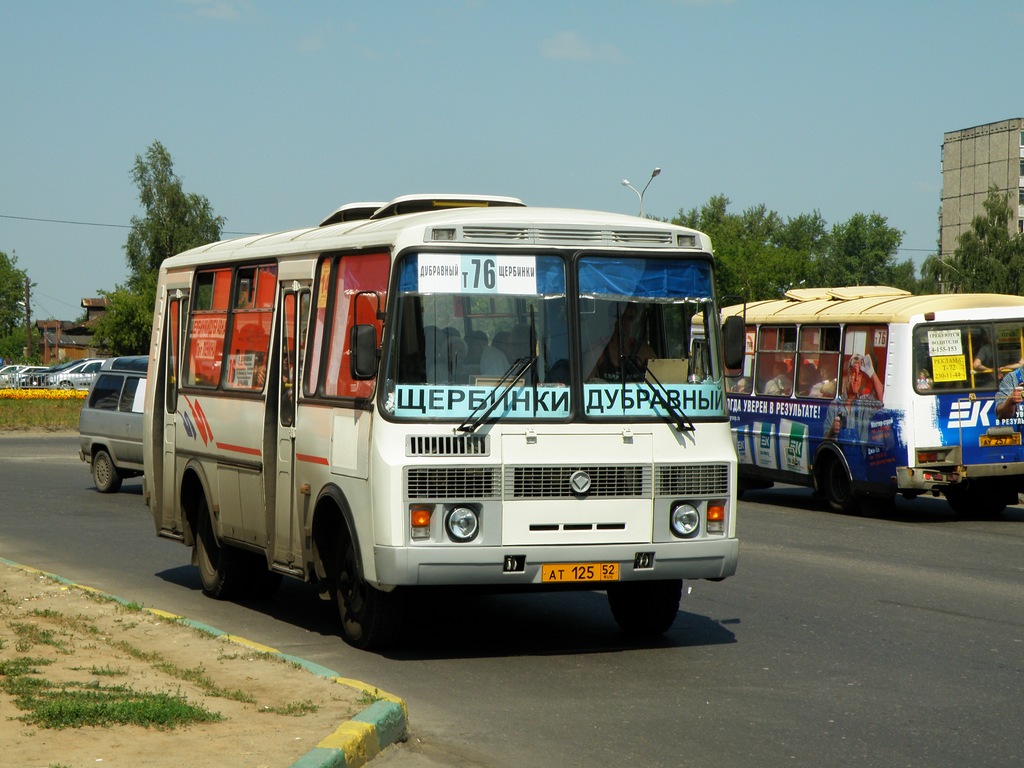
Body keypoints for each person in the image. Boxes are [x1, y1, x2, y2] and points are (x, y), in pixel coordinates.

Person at [590, 303, 654, 381]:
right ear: (611, 320)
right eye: (621, 317)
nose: (625, 322)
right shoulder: (598, 352)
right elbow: (584, 386)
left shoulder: (644, 352)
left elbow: (661, 384)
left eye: (630, 318)